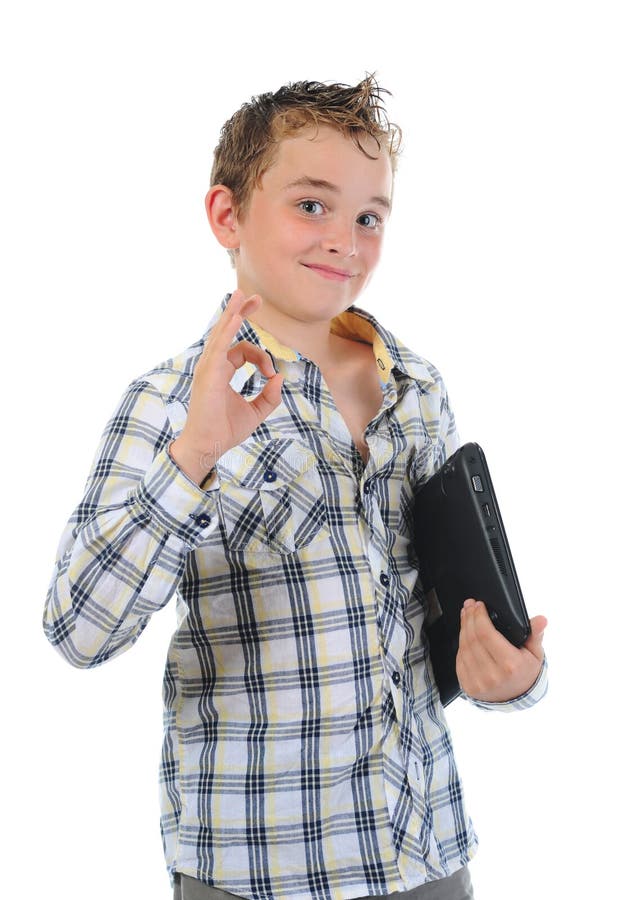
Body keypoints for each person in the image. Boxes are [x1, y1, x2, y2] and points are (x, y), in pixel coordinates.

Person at [43, 74, 548, 900]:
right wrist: (196, 453)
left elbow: (446, 617)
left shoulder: (416, 387)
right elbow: (77, 629)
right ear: (227, 216)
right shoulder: (169, 402)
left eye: (369, 216)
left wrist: (509, 674)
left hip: (424, 850)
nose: (344, 240)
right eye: (311, 205)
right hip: (259, 866)